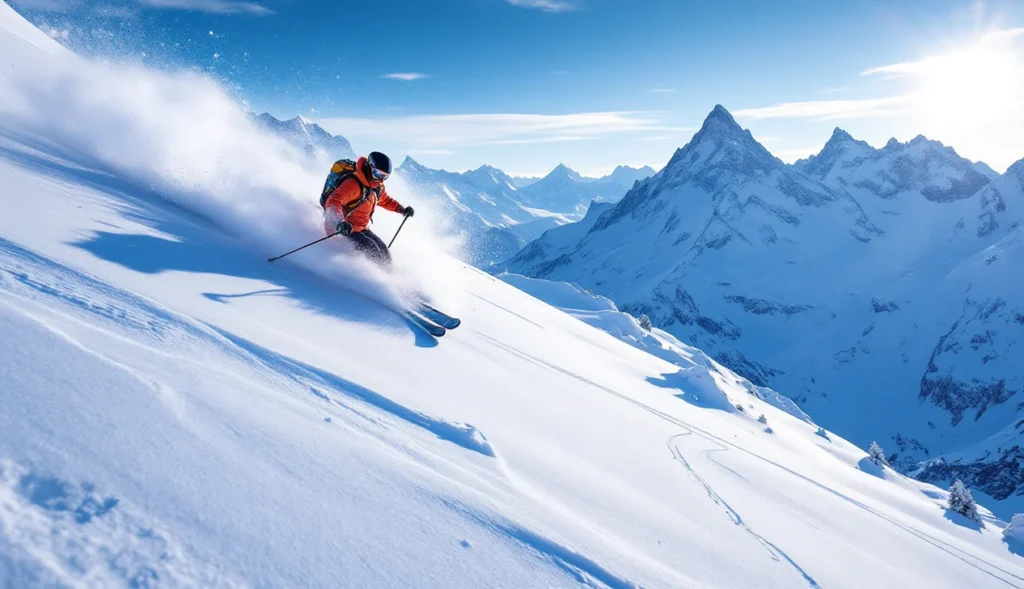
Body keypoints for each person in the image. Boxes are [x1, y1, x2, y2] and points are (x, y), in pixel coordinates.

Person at [322, 151, 413, 267]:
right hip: (344, 228)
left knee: (384, 252)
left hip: (361, 228)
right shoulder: (353, 184)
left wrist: (402, 209)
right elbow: (333, 202)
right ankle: (371, 279)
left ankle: (390, 277)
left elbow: (385, 200)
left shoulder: (376, 187)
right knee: (372, 252)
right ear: (369, 167)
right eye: (378, 174)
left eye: (385, 176)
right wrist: (340, 222)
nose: (380, 179)